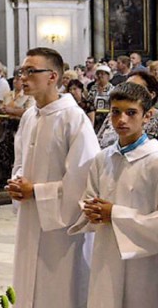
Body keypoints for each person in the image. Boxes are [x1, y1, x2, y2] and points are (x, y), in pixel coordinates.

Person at [6, 47, 100, 308]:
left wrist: (36, 190)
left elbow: (84, 179)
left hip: (60, 226)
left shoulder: (73, 118)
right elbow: (20, 161)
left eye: (31, 71)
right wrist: (16, 182)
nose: (23, 78)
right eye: (21, 71)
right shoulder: (29, 116)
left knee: (57, 287)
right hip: (30, 216)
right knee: (27, 283)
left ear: (53, 76)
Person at [69, 82, 158, 308]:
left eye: (131, 113)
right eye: (116, 112)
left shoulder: (155, 160)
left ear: (147, 116)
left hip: (144, 261)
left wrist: (114, 214)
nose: (122, 120)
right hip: (106, 253)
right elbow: (90, 197)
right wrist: (91, 210)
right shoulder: (103, 158)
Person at [96, 71, 158, 149]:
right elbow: (98, 139)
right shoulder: (115, 114)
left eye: (136, 89)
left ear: (152, 94)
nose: (128, 92)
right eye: (126, 87)